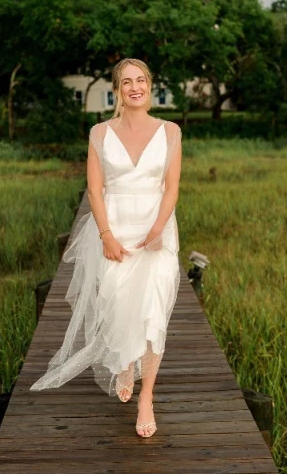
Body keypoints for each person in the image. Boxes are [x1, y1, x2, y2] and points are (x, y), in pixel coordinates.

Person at [30, 58, 182, 438]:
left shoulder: (171, 132)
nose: (135, 87)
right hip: (115, 230)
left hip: (156, 233)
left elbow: (172, 187)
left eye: (142, 80)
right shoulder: (100, 133)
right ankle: (124, 363)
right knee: (116, 306)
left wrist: (159, 227)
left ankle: (146, 395)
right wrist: (106, 236)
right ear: (117, 90)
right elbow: (95, 190)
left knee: (153, 313)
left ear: (150, 86)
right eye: (127, 81)